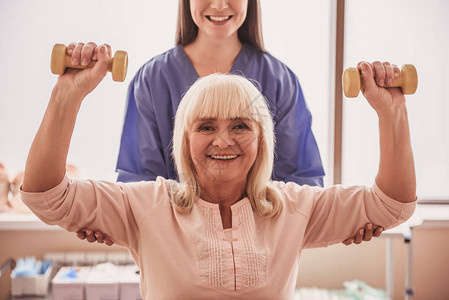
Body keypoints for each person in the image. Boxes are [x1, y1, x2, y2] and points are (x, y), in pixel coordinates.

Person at [21, 44, 416, 298]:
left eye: (240, 126)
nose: (223, 141)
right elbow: (46, 196)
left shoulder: (294, 207)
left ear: (262, 139)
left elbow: (392, 205)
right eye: (206, 127)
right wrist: (67, 94)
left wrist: (391, 110)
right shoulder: (146, 205)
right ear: (184, 140)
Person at [71, 0, 382, 246]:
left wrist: (337, 221)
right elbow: (136, 188)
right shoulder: (152, 79)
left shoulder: (279, 80)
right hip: (173, 253)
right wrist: (116, 222)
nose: (219, 5)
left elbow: (304, 189)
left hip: (262, 256)